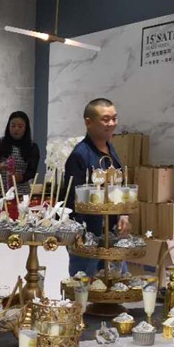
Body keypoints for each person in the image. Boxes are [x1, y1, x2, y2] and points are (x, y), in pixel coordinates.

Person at [64, 98, 130, 277]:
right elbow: (71, 198)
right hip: (88, 235)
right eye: (105, 119)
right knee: (84, 285)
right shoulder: (79, 155)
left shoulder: (111, 149)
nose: (111, 124)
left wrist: (124, 214)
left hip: (112, 234)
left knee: (116, 282)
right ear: (88, 122)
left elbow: (120, 185)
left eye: (114, 118)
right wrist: (79, 234)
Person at [0, 111, 40, 197]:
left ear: (26, 128)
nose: (16, 129)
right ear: (8, 127)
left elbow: (32, 172)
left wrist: (20, 177)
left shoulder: (32, 147)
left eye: (20, 126)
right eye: (13, 126)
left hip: (21, 191)